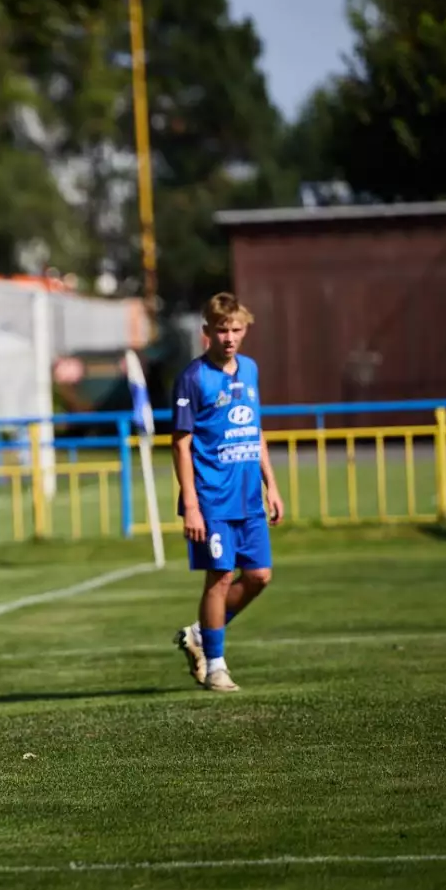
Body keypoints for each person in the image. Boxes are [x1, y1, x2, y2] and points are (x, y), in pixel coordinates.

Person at [170, 293, 285, 693]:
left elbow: (255, 431)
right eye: (221, 330)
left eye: (236, 329)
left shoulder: (250, 370)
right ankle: (216, 665)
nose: (229, 337)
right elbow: (181, 443)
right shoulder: (193, 377)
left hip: (249, 497)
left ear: (245, 330)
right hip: (212, 498)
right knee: (219, 576)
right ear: (207, 332)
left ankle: (202, 635)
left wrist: (272, 484)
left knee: (259, 576)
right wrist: (191, 505)